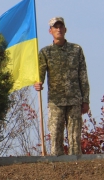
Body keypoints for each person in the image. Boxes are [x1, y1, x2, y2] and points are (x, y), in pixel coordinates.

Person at [34, 17, 89, 156]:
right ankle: (57, 166)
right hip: (56, 102)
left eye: (61, 27)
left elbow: (83, 76)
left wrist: (85, 100)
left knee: (75, 139)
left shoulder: (76, 50)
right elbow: (40, 74)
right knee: (56, 138)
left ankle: (76, 165)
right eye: (55, 27)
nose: (58, 29)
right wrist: (38, 83)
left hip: (74, 100)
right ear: (50, 31)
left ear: (65, 30)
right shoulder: (46, 52)